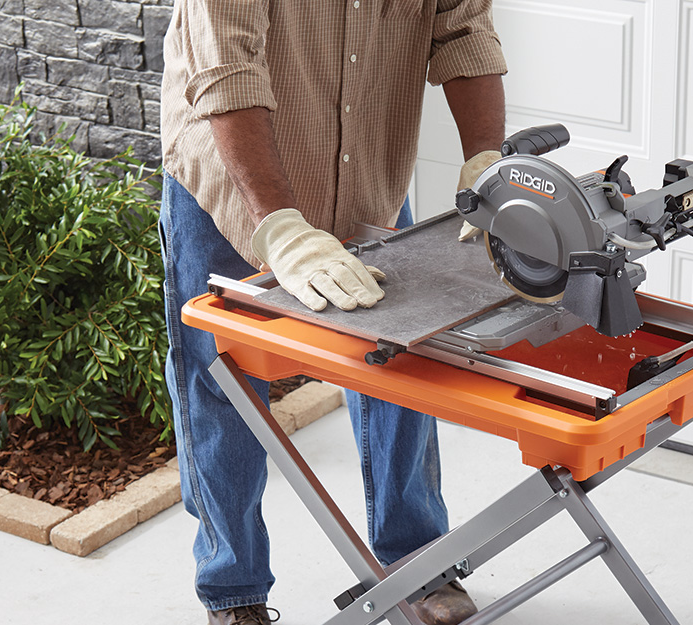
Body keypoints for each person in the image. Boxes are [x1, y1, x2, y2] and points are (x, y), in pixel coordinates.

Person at [157, 2, 507, 624]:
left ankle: (418, 563)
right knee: (220, 385)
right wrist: (282, 229)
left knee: (398, 366)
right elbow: (227, 70)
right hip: (232, 189)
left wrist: (489, 161)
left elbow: (465, 33)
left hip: (367, 173)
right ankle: (233, 592)